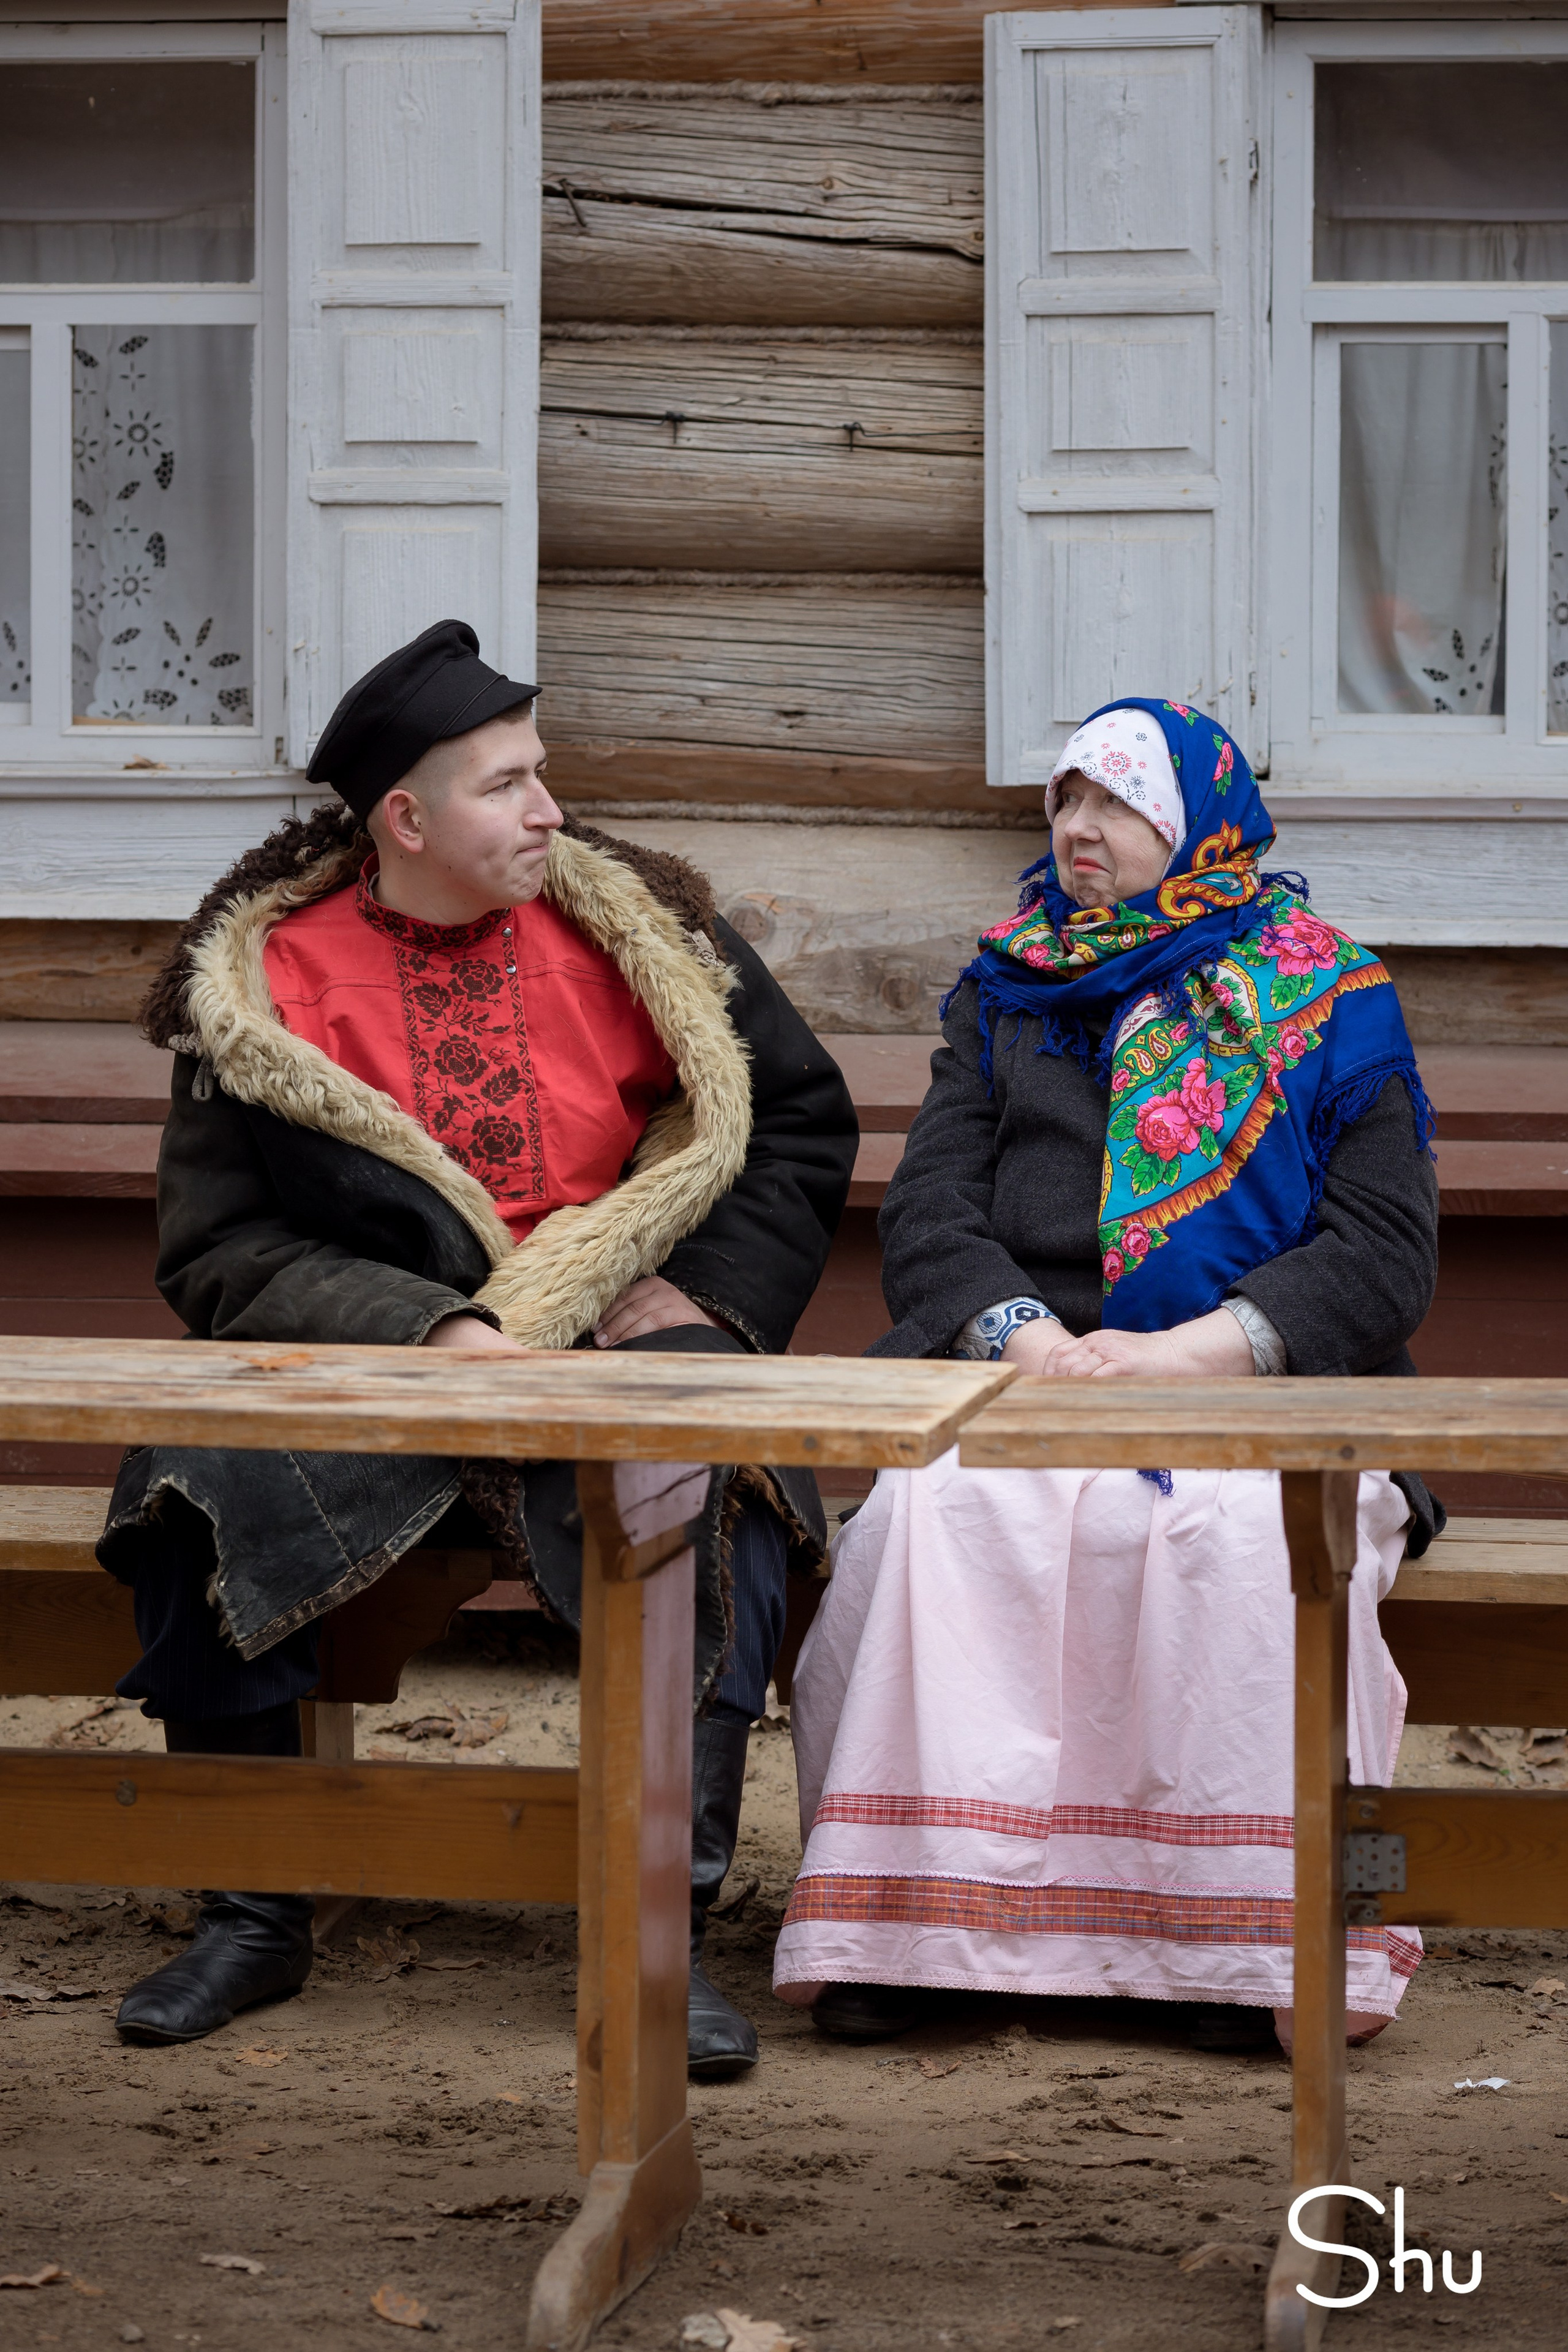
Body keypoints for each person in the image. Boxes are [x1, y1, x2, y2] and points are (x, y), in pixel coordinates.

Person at [97, 619, 858, 2073]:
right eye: (508, 784)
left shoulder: (651, 940)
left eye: (542, 774)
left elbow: (793, 1126)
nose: (550, 811)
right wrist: (425, 1326)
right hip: (383, 1365)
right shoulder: (259, 989)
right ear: (406, 818)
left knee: (714, 1476)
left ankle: (659, 1929)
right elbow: (218, 1251)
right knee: (199, 1471)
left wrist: (697, 1293)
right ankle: (251, 1911)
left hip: (613, 1344)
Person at [772, 698, 1440, 2057]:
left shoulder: (1333, 994)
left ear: (1194, 820)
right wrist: (1027, 1340)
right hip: (1035, 1376)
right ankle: (918, 1940)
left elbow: (1381, 1249)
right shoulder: (1009, 990)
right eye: (1064, 800)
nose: (1077, 828)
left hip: (1265, 1385)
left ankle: (1247, 1947)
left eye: (1114, 803)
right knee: (928, 1524)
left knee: (1237, 1541)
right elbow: (930, 1216)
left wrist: (1194, 1354)